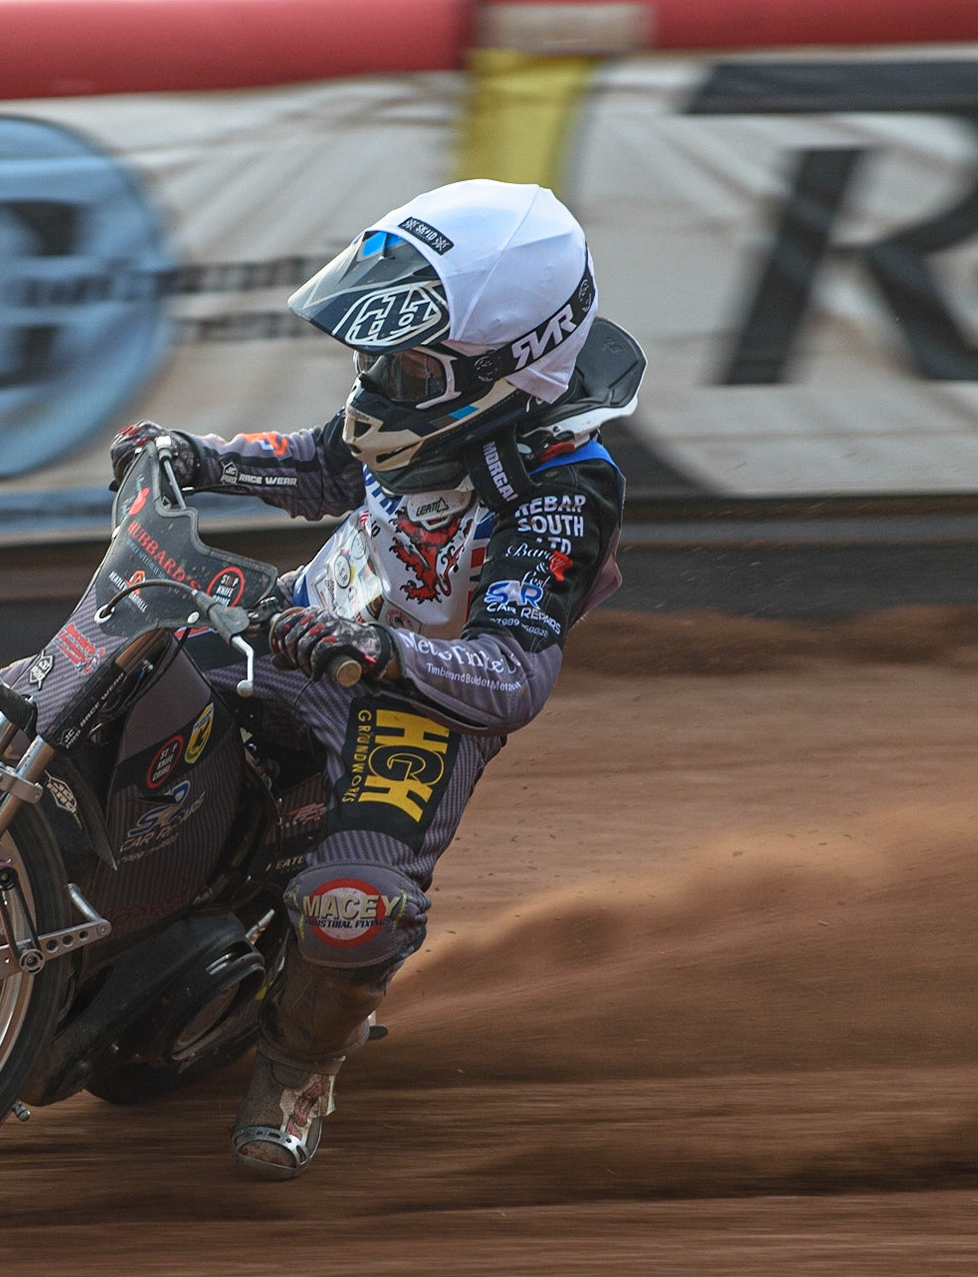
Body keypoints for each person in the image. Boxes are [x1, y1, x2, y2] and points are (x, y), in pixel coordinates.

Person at [108, 179, 644, 1179]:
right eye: (374, 357)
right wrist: (193, 455)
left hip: (425, 701)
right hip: (307, 629)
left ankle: (299, 1065)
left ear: (505, 363)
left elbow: (515, 672)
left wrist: (381, 655)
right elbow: (321, 466)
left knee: (351, 905)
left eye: (402, 361)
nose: (375, 380)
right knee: (113, 700)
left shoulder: (565, 480)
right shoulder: (419, 405)